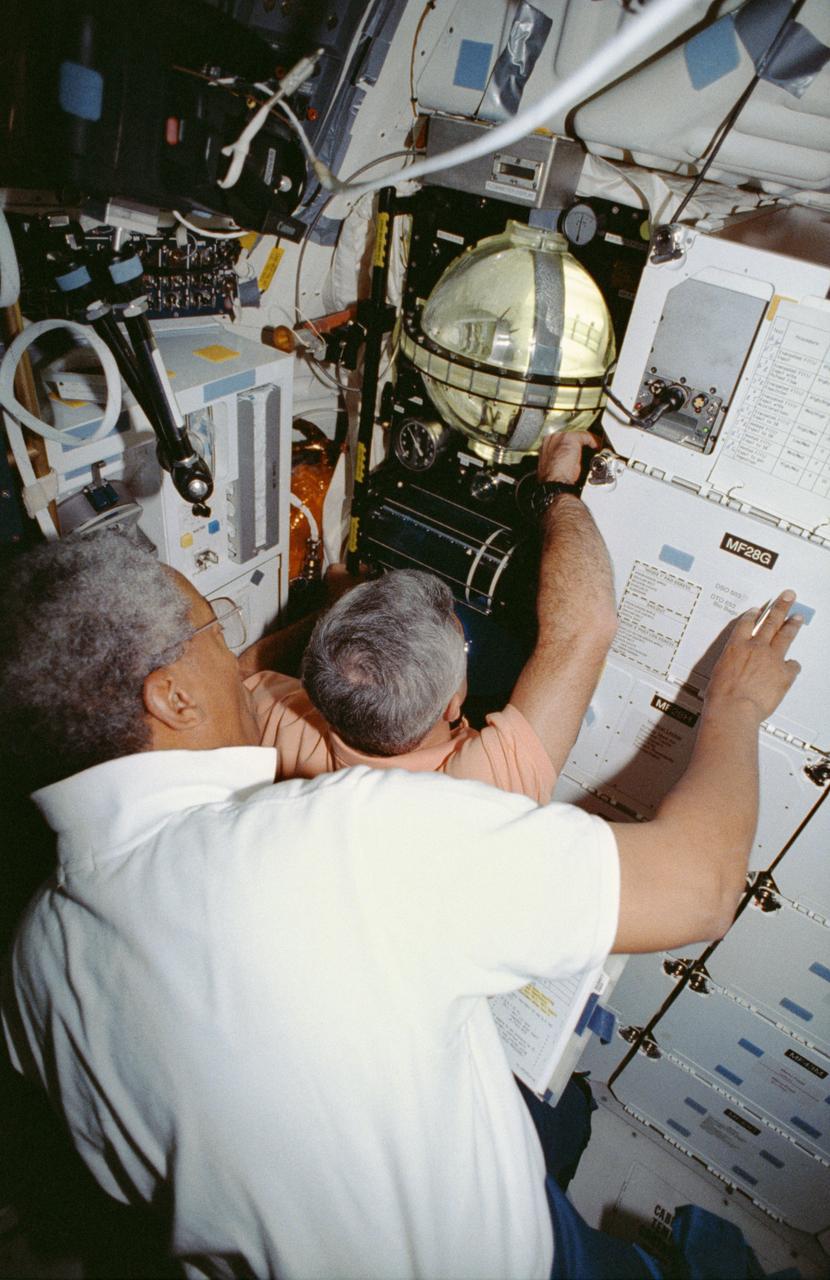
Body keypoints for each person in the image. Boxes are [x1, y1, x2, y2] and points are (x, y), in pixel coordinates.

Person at [0, 530, 801, 1280]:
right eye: (214, 625)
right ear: (171, 697)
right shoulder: (351, 839)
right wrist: (735, 705)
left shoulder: (32, 956)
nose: (230, 648)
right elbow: (700, 891)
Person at [240, 430, 618, 802]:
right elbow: (587, 624)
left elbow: (240, 673)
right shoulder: (483, 789)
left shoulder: (283, 718)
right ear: (453, 705)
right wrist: (556, 489)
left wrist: (328, 608)